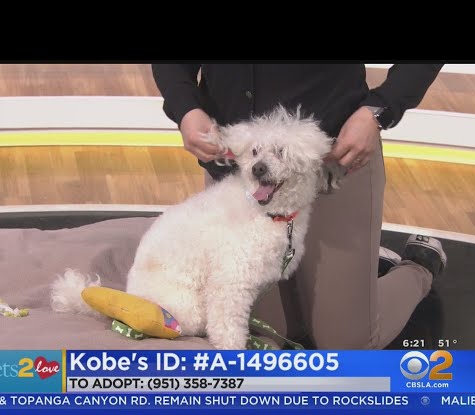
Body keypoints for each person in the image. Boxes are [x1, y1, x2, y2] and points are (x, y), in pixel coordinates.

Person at [151, 64, 447, 350]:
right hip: (238, 168)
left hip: (334, 158)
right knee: (267, 334)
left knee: (347, 343)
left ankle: (419, 267)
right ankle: (365, 265)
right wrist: (186, 108)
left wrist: (377, 111)